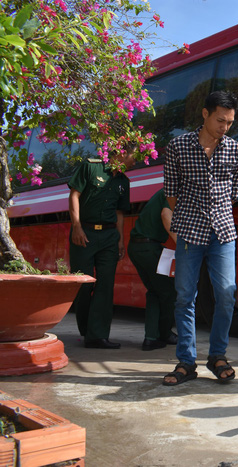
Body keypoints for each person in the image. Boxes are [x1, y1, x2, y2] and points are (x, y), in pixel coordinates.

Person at [162, 90, 238, 386]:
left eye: (230, 122)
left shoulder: (237, 151)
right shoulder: (179, 146)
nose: (225, 127)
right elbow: (171, 191)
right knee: (185, 296)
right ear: (205, 114)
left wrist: (213, 214)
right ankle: (186, 361)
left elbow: (235, 194)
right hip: (189, 231)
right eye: (220, 120)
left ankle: (217, 355)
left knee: (226, 293)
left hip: (223, 231)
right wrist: (190, 218)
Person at [68, 143, 136, 349]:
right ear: (122, 153)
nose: (136, 161)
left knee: (105, 286)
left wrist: (120, 240)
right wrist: (77, 227)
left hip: (108, 236)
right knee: (84, 284)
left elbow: (119, 213)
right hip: (85, 233)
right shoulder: (91, 167)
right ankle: (86, 329)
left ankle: (98, 336)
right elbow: (74, 195)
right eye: (134, 156)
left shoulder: (124, 181)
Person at [127, 188, 178, 351]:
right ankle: (163, 334)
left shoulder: (165, 190)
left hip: (136, 246)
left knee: (155, 291)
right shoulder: (175, 189)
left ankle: (151, 337)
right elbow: (165, 214)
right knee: (168, 291)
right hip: (150, 248)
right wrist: (182, 245)